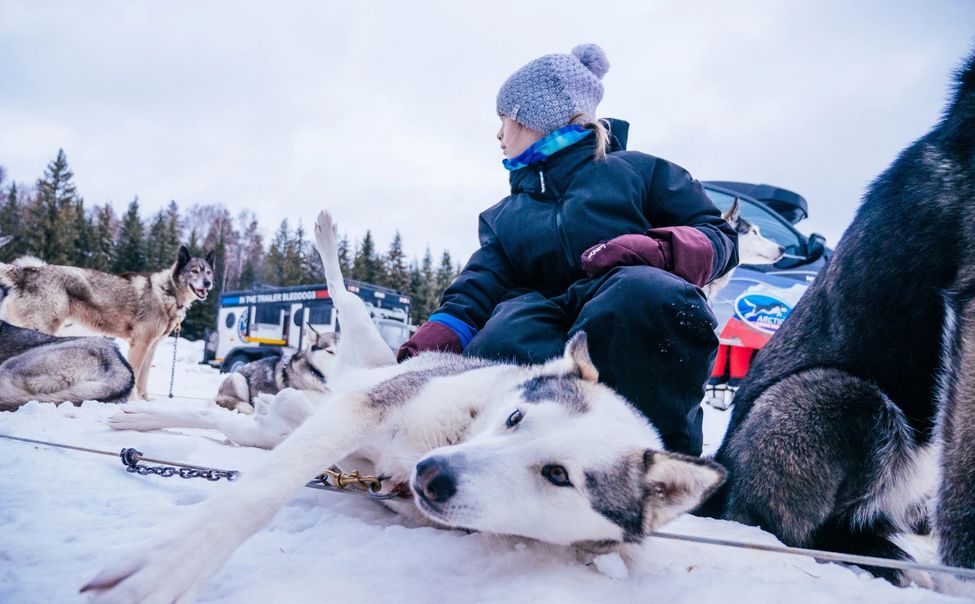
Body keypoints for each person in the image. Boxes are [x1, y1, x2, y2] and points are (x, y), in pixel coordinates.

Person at [397, 44, 737, 456]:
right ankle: (512, 456)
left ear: (537, 118)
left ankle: (652, 461)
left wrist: (656, 251)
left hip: (621, 307)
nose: (498, 134)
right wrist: (437, 336)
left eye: (505, 119)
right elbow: (481, 283)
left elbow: (717, 235)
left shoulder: (638, 172)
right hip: (547, 317)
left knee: (642, 294)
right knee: (507, 330)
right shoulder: (505, 215)